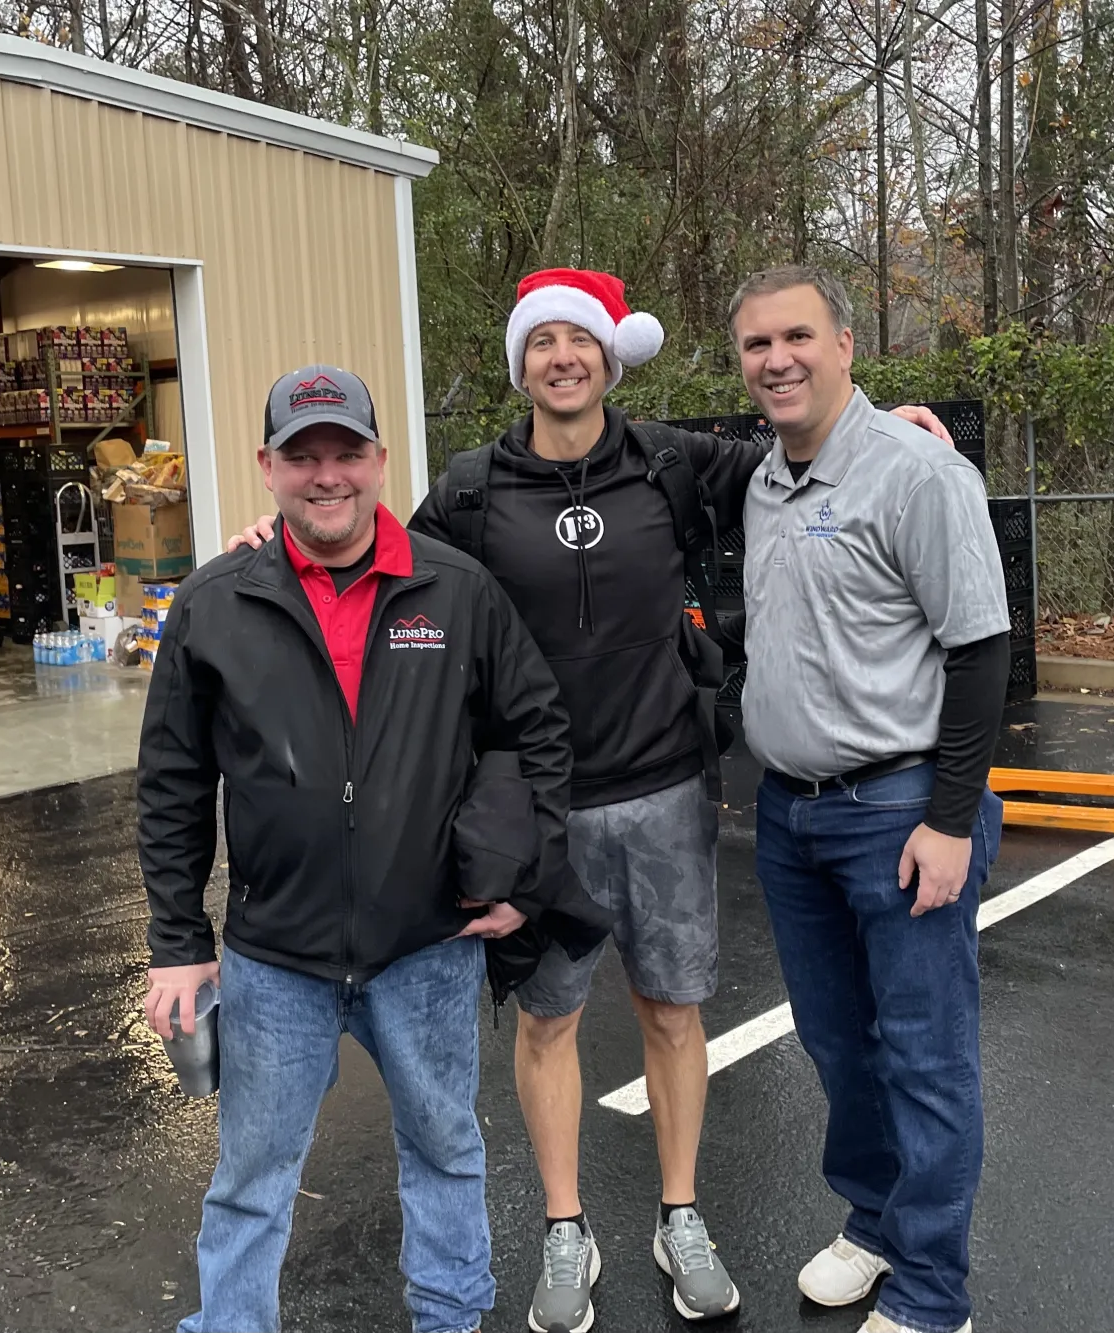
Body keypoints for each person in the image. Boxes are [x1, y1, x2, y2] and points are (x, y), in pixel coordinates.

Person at [227, 270, 954, 1330]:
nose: (560, 357)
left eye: (579, 340)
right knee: (549, 1019)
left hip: (666, 790)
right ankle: (566, 1226)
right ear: (519, 363)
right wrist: (277, 541)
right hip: (539, 808)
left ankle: (679, 1212)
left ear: (611, 357)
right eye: (540, 342)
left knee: (671, 1011)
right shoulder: (473, 490)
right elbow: (373, 555)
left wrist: (894, 424)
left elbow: (812, 448)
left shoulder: (674, 463)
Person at [137, 363, 602, 1333]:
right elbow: (174, 779)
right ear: (266, 466)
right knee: (251, 1179)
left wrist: (524, 875)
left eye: (345, 452)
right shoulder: (214, 603)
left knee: (443, 1152)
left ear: (381, 460)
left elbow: (539, 729)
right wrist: (177, 939)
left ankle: (449, 1319)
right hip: (273, 960)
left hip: (425, 949)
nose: (326, 475)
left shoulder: (457, 590)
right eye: (301, 455)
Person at [731, 265, 1008, 1333]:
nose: (777, 360)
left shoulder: (917, 474)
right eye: (756, 345)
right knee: (837, 1043)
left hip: (900, 813)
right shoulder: (761, 482)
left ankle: (935, 1293)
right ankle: (876, 1222)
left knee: (924, 1053)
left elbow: (981, 652)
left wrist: (947, 818)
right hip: (789, 817)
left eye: (797, 336)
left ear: (845, 344)